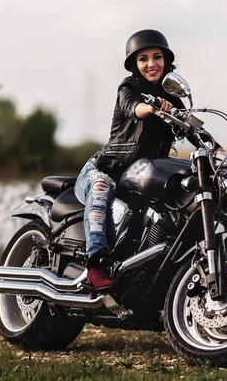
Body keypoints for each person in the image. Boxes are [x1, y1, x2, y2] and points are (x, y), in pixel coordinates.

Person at [74, 29, 185, 290]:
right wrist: (152, 108)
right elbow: (132, 107)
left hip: (140, 177)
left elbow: (190, 124)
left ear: (166, 61)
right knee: (101, 190)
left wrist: (214, 147)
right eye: (143, 59)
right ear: (135, 65)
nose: (151, 63)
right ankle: (96, 263)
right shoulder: (129, 87)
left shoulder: (173, 97)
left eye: (157, 57)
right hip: (107, 169)